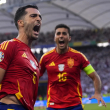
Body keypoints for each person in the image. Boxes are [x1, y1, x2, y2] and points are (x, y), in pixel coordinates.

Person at [39, 24, 106, 110]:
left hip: (75, 105)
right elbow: (35, 78)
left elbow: (95, 76)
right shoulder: (45, 58)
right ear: (54, 38)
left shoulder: (79, 56)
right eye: (58, 33)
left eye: (64, 33)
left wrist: (97, 92)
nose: (61, 36)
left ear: (69, 38)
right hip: (53, 105)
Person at [0, 5, 42, 110]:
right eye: (33, 16)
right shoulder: (9, 46)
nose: (38, 19)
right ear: (21, 22)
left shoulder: (34, 59)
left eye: (40, 17)